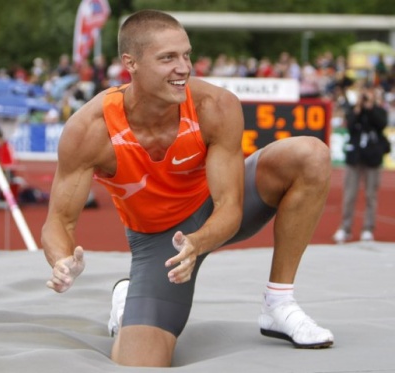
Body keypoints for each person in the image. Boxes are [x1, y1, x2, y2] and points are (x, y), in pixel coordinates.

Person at [41, 9, 334, 367]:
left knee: (311, 155)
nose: (183, 67)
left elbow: (229, 207)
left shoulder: (215, 105)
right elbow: (59, 221)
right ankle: (127, 300)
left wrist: (199, 241)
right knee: (140, 364)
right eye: (167, 58)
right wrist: (62, 261)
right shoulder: (90, 129)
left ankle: (279, 302)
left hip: (215, 210)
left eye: (186, 55)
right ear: (129, 63)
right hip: (159, 242)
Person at [333, 85, 389, 243]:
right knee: (349, 194)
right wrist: (358, 107)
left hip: (373, 158)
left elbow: (381, 124)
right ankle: (345, 228)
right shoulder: (354, 109)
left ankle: (368, 228)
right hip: (355, 157)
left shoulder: (379, 110)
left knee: (371, 195)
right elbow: (349, 125)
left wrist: (370, 107)